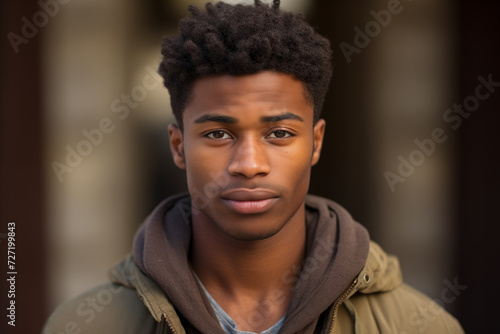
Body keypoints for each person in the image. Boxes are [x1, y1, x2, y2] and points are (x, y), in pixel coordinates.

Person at [43, 1, 464, 333]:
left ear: (315, 143)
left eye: (279, 134)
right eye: (218, 134)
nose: (248, 165)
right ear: (178, 146)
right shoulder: (84, 326)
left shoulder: (418, 327)